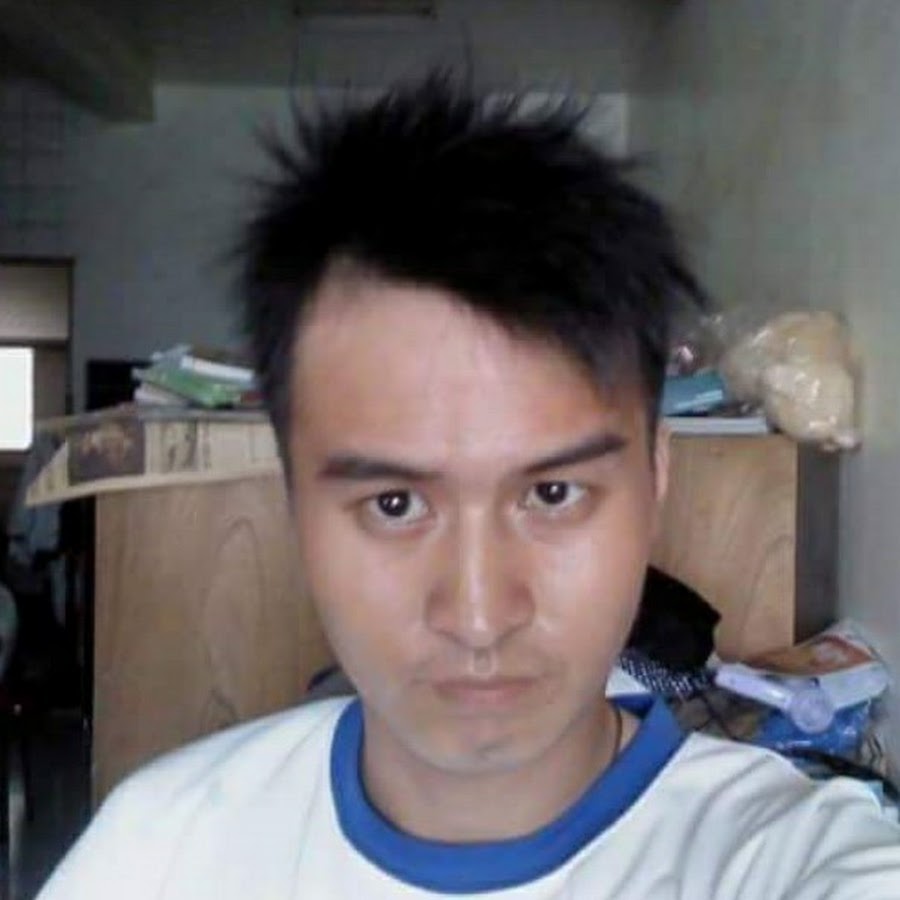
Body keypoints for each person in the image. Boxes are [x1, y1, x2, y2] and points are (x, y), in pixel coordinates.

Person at [39, 75, 900, 899]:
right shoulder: (156, 853)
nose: (481, 615)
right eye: (395, 504)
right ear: (294, 504)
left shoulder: (788, 863)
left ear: (656, 479)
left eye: (553, 495)